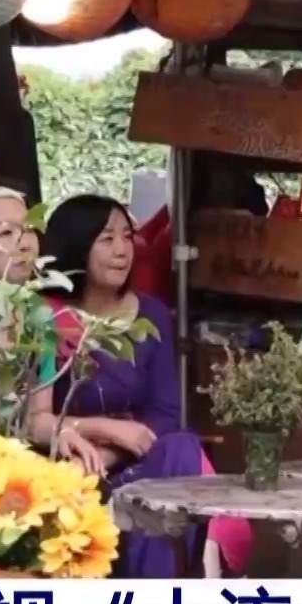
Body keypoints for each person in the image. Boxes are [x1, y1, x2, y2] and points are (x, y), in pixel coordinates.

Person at [35, 195, 251, 579]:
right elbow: (33, 418)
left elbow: (166, 414)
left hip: (134, 461)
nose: (122, 250)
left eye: (127, 236)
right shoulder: (44, 317)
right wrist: (102, 432)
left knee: (181, 446)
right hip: (67, 466)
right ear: (76, 244)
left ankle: (174, 588)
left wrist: (109, 454)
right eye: (107, 239)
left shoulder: (151, 314)